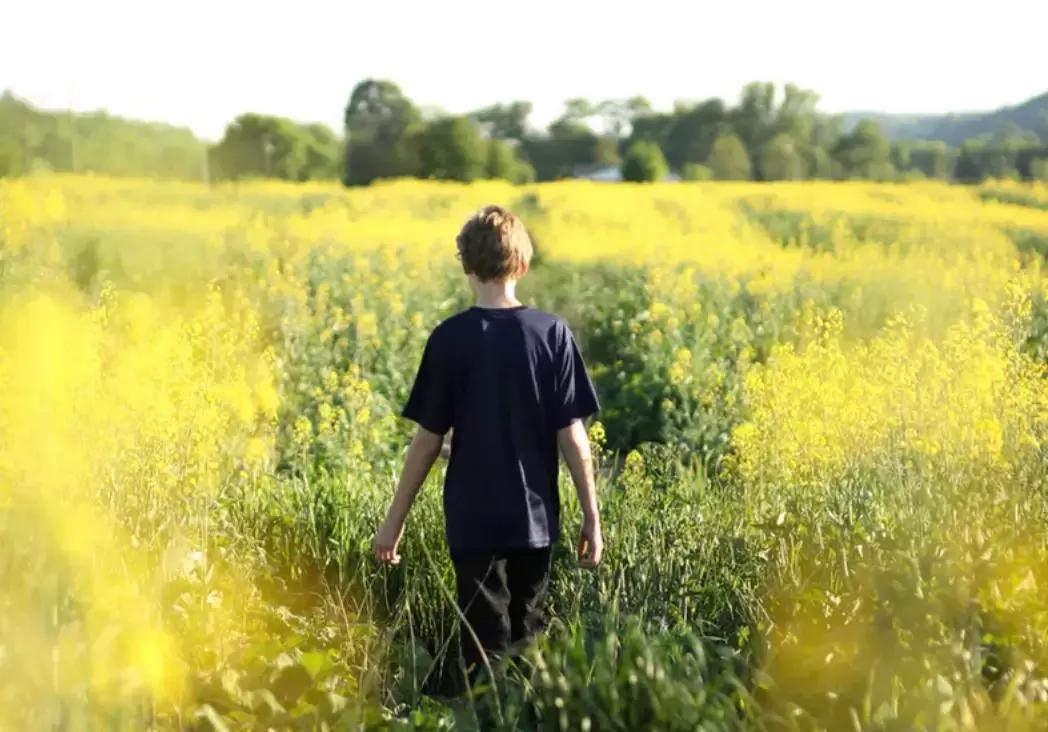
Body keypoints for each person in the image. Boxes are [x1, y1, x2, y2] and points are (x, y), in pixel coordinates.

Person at [372, 204, 603, 679]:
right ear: (523, 264)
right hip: (536, 519)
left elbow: (426, 443)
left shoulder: (449, 339)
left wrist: (394, 522)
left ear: (466, 265)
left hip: (472, 520)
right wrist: (591, 518)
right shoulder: (552, 334)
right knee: (529, 641)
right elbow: (574, 439)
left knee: (483, 647)